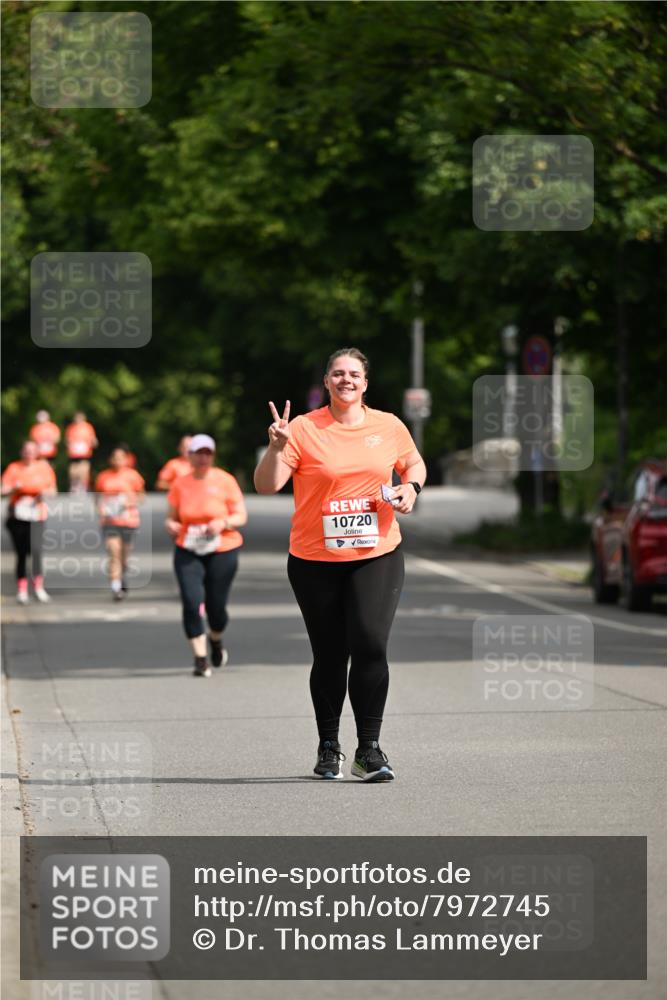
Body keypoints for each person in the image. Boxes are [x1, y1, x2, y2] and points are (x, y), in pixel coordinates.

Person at [254, 348, 426, 782]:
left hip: (377, 553)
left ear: (365, 383)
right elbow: (266, 485)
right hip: (314, 559)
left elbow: (414, 462)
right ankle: (328, 745)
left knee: (370, 642)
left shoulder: (388, 425)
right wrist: (276, 448)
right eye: (337, 374)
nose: (346, 380)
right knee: (330, 654)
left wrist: (412, 487)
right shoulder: (302, 428)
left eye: (354, 374)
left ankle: (368, 749)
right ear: (326, 382)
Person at [166, 434, 247, 677]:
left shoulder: (225, 480)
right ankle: (200, 658)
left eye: (207, 453)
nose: (203, 458)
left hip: (223, 548)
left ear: (212, 456)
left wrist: (222, 522)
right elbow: (172, 517)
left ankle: (216, 639)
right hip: (188, 549)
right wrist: (170, 525)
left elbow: (241, 515)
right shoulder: (180, 484)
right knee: (191, 602)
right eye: (198, 453)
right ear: (189, 455)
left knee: (216, 608)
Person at [1, 441, 57, 603]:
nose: (29, 453)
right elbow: (3, 489)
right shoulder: (14, 468)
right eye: (26, 450)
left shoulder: (44, 468)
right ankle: (22, 589)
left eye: (32, 451)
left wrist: (43, 492)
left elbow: (53, 490)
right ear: (21, 452)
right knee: (22, 553)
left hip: (37, 515)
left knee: (36, 550)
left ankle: (39, 587)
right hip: (18, 516)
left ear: (37, 453)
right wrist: (14, 488)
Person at [94, 446, 145, 601]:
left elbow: (141, 496)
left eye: (120, 458)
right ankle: (115, 587)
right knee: (113, 551)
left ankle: (121, 576)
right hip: (110, 521)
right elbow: (97, 497)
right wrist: (100, 509)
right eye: (114, 458)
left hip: (129, 520)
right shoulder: (103, 477)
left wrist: (129, 501)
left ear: (126, 459)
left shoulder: (133, 476)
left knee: (124, 556)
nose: (117, 461)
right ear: (110, 459)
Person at [64, 412, 98, 493]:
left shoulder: (88, 427)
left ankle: (84, 486)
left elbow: (93, 439)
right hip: (74, 453)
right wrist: (69, 445)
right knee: (73, 470)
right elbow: (67, 440)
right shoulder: (71, 428)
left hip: (85, 453)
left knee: (84, 469)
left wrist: (94, 442)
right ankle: (74, 485)